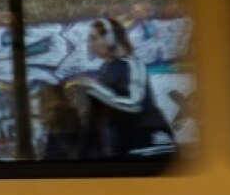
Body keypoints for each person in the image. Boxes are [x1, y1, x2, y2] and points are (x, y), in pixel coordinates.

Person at [75, 16, 176, 159]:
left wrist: (95, 87)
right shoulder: (109, 68)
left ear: (110, 39)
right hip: (127, 146)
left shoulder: (132, 64)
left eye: (94, 38)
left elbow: (134, 104)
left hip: (149, 145)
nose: (91, 44)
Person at [37, 83, 82, 160]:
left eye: (47, 96)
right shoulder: (65, 111)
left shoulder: (62, 112)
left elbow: (66, 140)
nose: (46, 100)